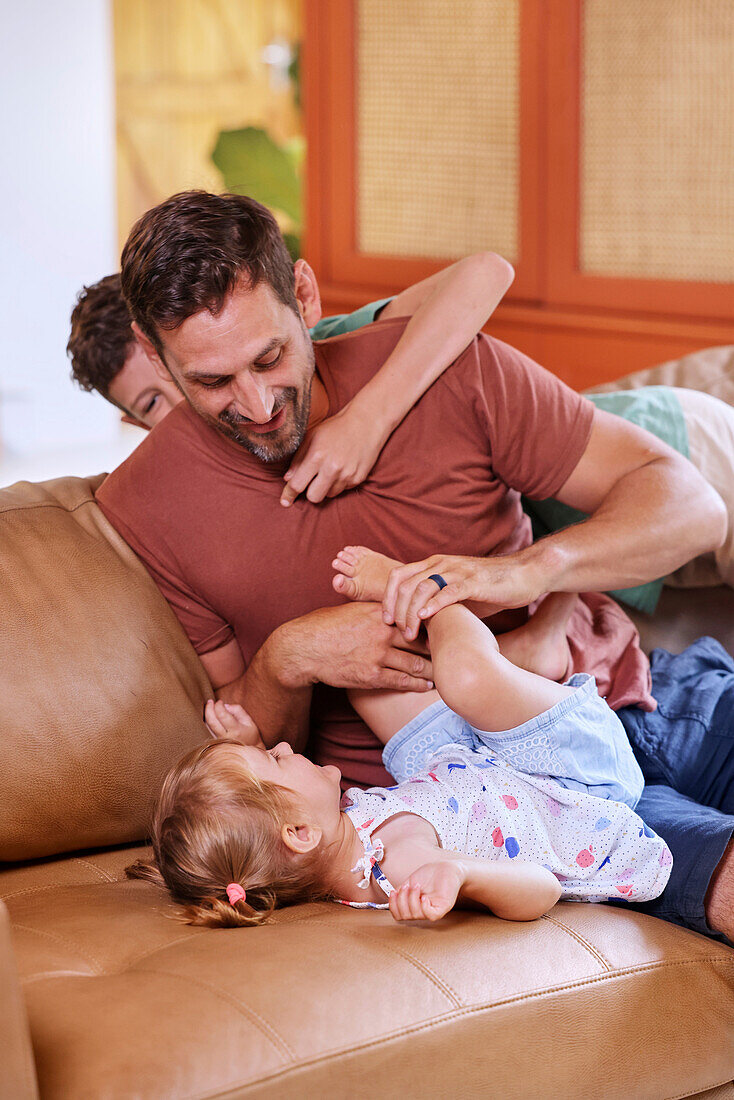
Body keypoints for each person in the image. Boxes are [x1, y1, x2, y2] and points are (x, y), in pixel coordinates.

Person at [96, 190, 732, 942]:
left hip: (628, 702)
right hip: (487, 805)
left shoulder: (444, 372)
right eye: (211, 383)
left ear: (304, 294)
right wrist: (286, 659)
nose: (259, 403)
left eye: (270, 357)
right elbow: (242, 741)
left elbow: (691, 508)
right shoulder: (146, 506)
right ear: (155, 351)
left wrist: (526, 571)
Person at [128, 544, 673, 927]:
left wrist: (247, 742)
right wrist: (461, 874)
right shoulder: (403, 865)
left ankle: (525, 660)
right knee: (465, 679)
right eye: (273, 758)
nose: (286, 746)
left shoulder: (343, 842)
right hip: (573, 784)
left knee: (363, 677)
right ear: (298, 833)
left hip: (472, 774)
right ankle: (425, 590)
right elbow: (542, 889)